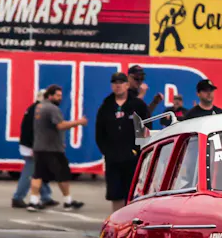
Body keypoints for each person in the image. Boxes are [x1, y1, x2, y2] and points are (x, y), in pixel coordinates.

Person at [96, 72, 151, 212]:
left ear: (127, 85)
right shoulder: (106, 106)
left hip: (133, 157)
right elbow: (99, 133)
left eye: (121, 83)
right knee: (115, 193)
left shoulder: (138, 105)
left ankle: (130, 219)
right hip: (113, 158)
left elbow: (146, 128)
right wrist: (107, 151)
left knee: (132, 192)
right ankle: (117, 220)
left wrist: (138, 150)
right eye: (115, 83)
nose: (118, 86)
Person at [26, 84, 87, 211]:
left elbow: (45, 127)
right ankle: (68, 202)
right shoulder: (52, 108)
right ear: (50, 96)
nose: (60, 98)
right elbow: (60, 125)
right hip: (52, 149)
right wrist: (78, 122)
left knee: (37, 175)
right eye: (57, 95)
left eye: (61, 95)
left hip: (39, 147)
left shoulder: (39, 106)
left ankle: (33, 201)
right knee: (63, 175)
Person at [12, 89, 55, 208]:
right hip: (32, 146)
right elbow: (35, 131)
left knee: (38, 171)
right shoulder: (39, 110)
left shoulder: (33, 108)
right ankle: (18, 197)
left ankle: (46, 196)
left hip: (29, 145)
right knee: (29, 173)